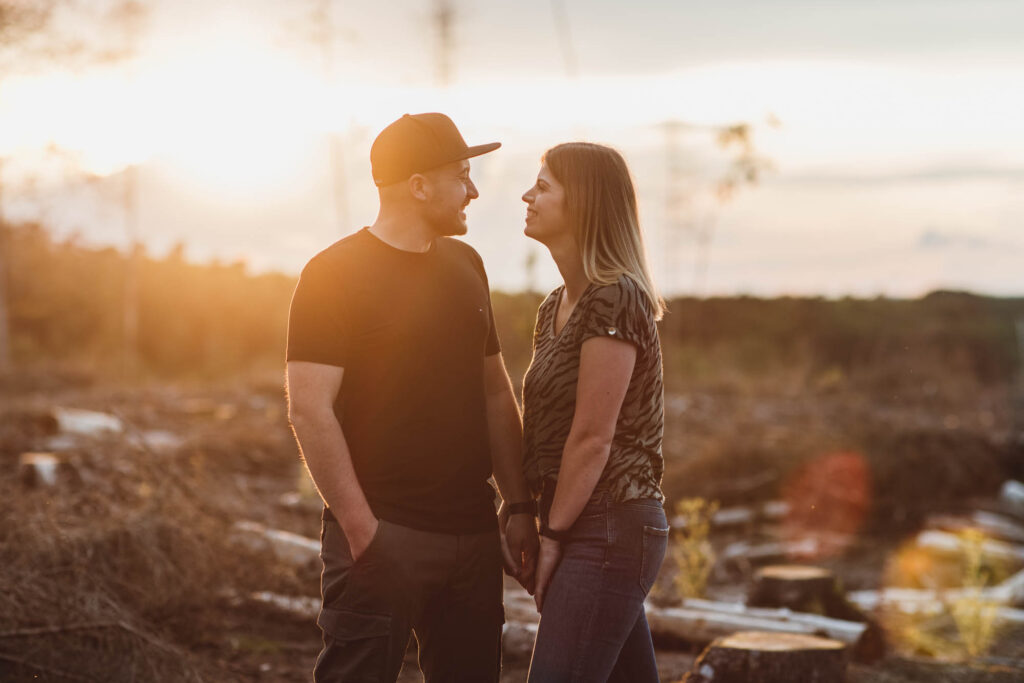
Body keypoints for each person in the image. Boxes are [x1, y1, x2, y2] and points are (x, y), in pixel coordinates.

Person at [286, 112, 539, 683]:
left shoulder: (467, 265)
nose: (473, 190)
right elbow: (309, 407)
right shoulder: (333, 274)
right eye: (462, 174)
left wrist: (518, 507)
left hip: (473, 537)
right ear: (419, 184)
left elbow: (495, 392)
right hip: (382, 532)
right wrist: (361, 531)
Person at [518, 142, 669, 682]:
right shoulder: (554, 306)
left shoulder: (615, 297)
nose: (526, 196)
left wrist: (553, 538)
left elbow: (591, 438)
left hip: (609, 523)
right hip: (582, 521)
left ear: (581, 202)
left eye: (543, 186)